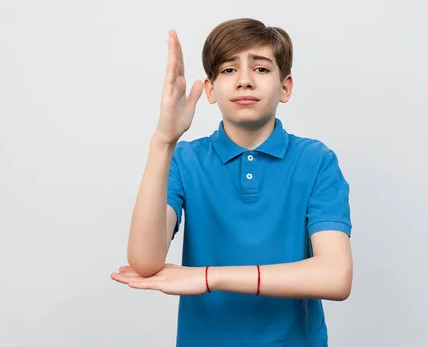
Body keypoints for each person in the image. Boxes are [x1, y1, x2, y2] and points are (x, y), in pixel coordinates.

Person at [111, 18, 353, 346]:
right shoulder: (185, 160)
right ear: (210, 89)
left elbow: (335, 276)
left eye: (261, 69)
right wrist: (163, 141)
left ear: (286, 87)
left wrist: (208, 277)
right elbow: (145, 261)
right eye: (228, 70)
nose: (244, 81)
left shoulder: (316, 160)